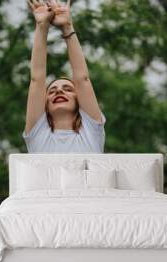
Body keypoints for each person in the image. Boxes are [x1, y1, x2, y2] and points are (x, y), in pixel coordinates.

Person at [23, 0, 106, 153]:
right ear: (45, 104)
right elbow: (37, 80)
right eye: (52, 91)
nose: (59, 92)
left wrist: (67, 27)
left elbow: (83, 79)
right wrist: (41, 27)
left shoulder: (92, 131)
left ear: (78, 100)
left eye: (67, 88)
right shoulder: (37, 134)